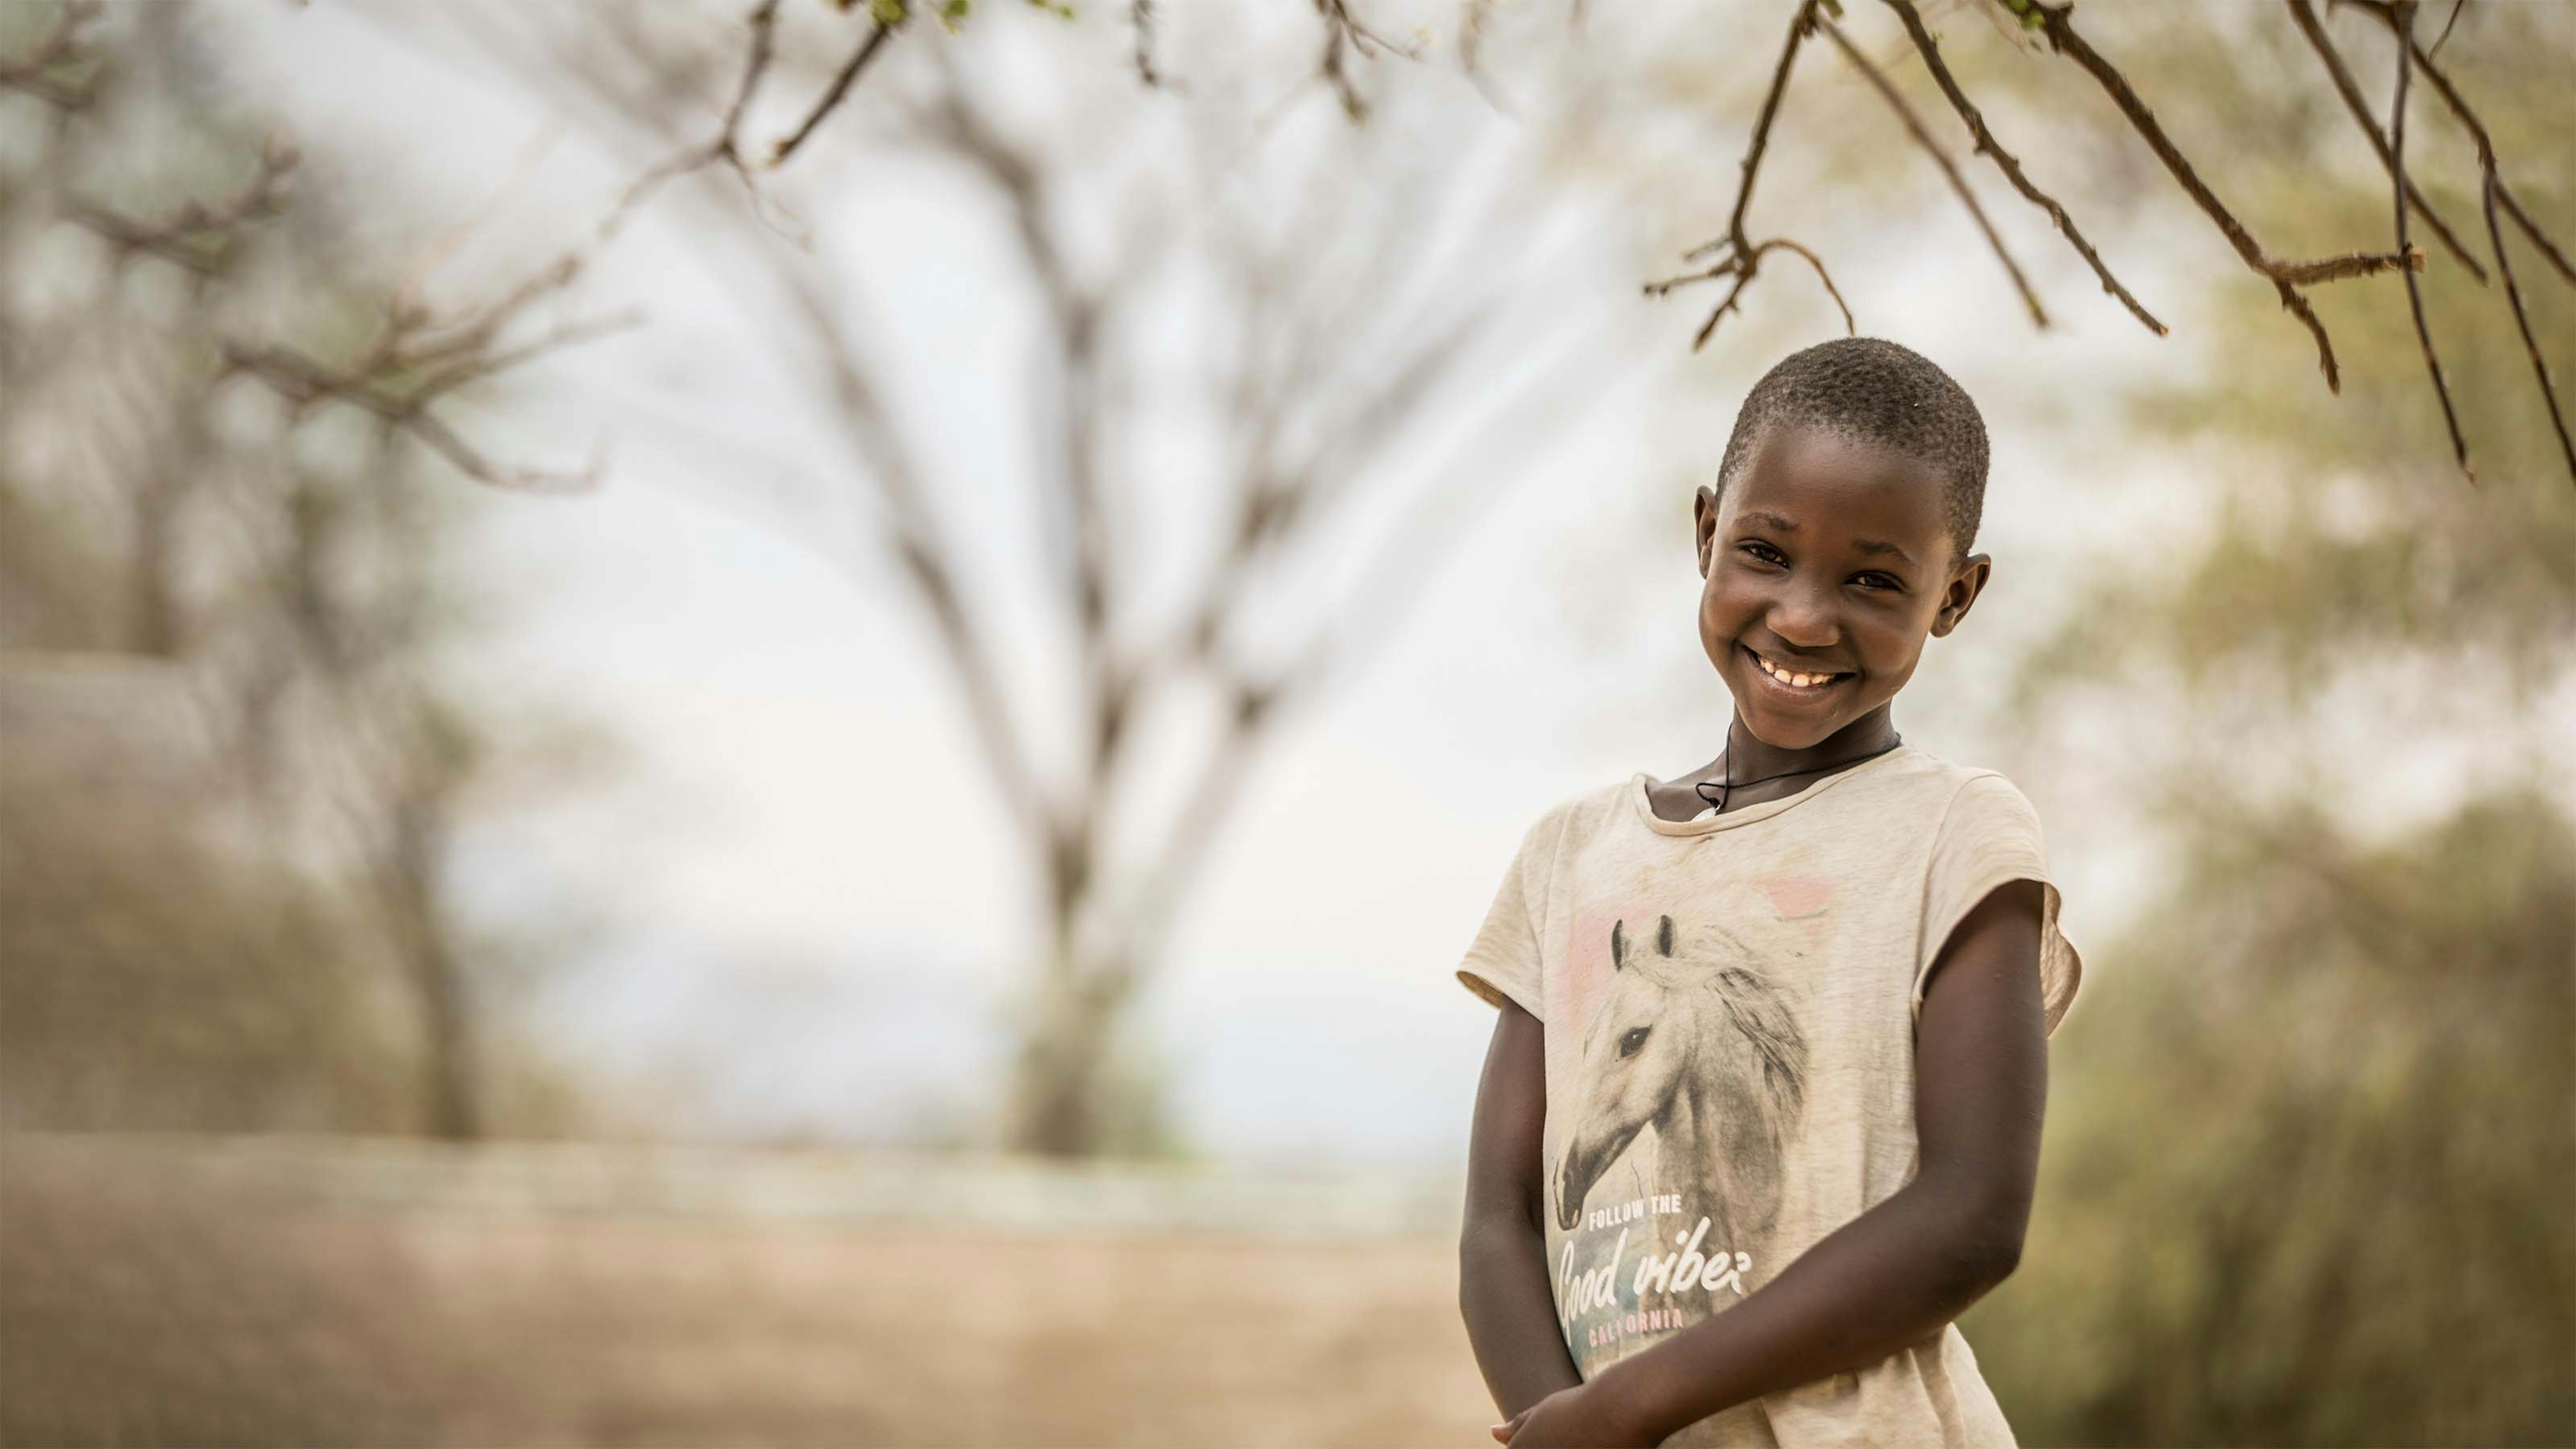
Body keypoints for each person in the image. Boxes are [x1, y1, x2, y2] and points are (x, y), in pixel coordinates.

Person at [1454, 337, 2084, 1448]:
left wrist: (1628, 1410)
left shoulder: (1959, 835)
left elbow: (1973, 1217)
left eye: (1875, 581)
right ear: (1706, 533)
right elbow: (1499, 1223)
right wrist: (1568, 1432)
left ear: (1958, 596)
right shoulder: (1569, 855)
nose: (1802, 618)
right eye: (1764, 553)